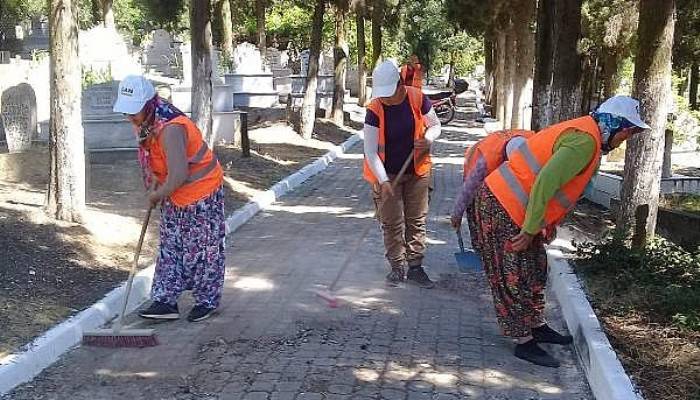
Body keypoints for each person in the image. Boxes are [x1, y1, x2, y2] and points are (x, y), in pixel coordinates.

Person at [454, 96, 650, 367]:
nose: (624, 140)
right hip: (502, 206)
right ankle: (523, 340)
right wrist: (531, 228)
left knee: (536, 266)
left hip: (518, 209)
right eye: (627, 133)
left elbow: (559, 189)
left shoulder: (586, 134)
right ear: (616, 126)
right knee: (511, 273)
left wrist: (545, 225)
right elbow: (545, 181)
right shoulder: (585, 141)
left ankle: (536, 324)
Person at [113, 75, 226, 323]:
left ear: (148, 104)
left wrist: (157, 194)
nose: (130, 117)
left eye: (134, 111)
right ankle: (166, 301)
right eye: (126, 111)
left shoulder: (171, 128)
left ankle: (207, 300)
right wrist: (156, 180)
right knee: (171, 248)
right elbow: (158, 159)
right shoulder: (146, 122)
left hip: (202, 192)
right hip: (175, 193)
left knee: (203, 250)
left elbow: (179, 174)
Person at [364, 60, 441, 288]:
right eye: (382, 95)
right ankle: (396, 267)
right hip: (386, 174)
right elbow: (370, 151)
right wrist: (384, 180)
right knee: (391, 222)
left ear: (399, 85)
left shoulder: (417, 98)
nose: (386, 99)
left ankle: (415, 267)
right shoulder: (374, 109)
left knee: (416, 220)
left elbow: (435, 125)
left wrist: (427, 139)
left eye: (389, 94)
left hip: (417, 171)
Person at [451, 129, 534, 234]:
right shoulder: (486, 161)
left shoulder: (532, 144)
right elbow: (468, 188)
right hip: (475, 164)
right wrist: (457, 214)